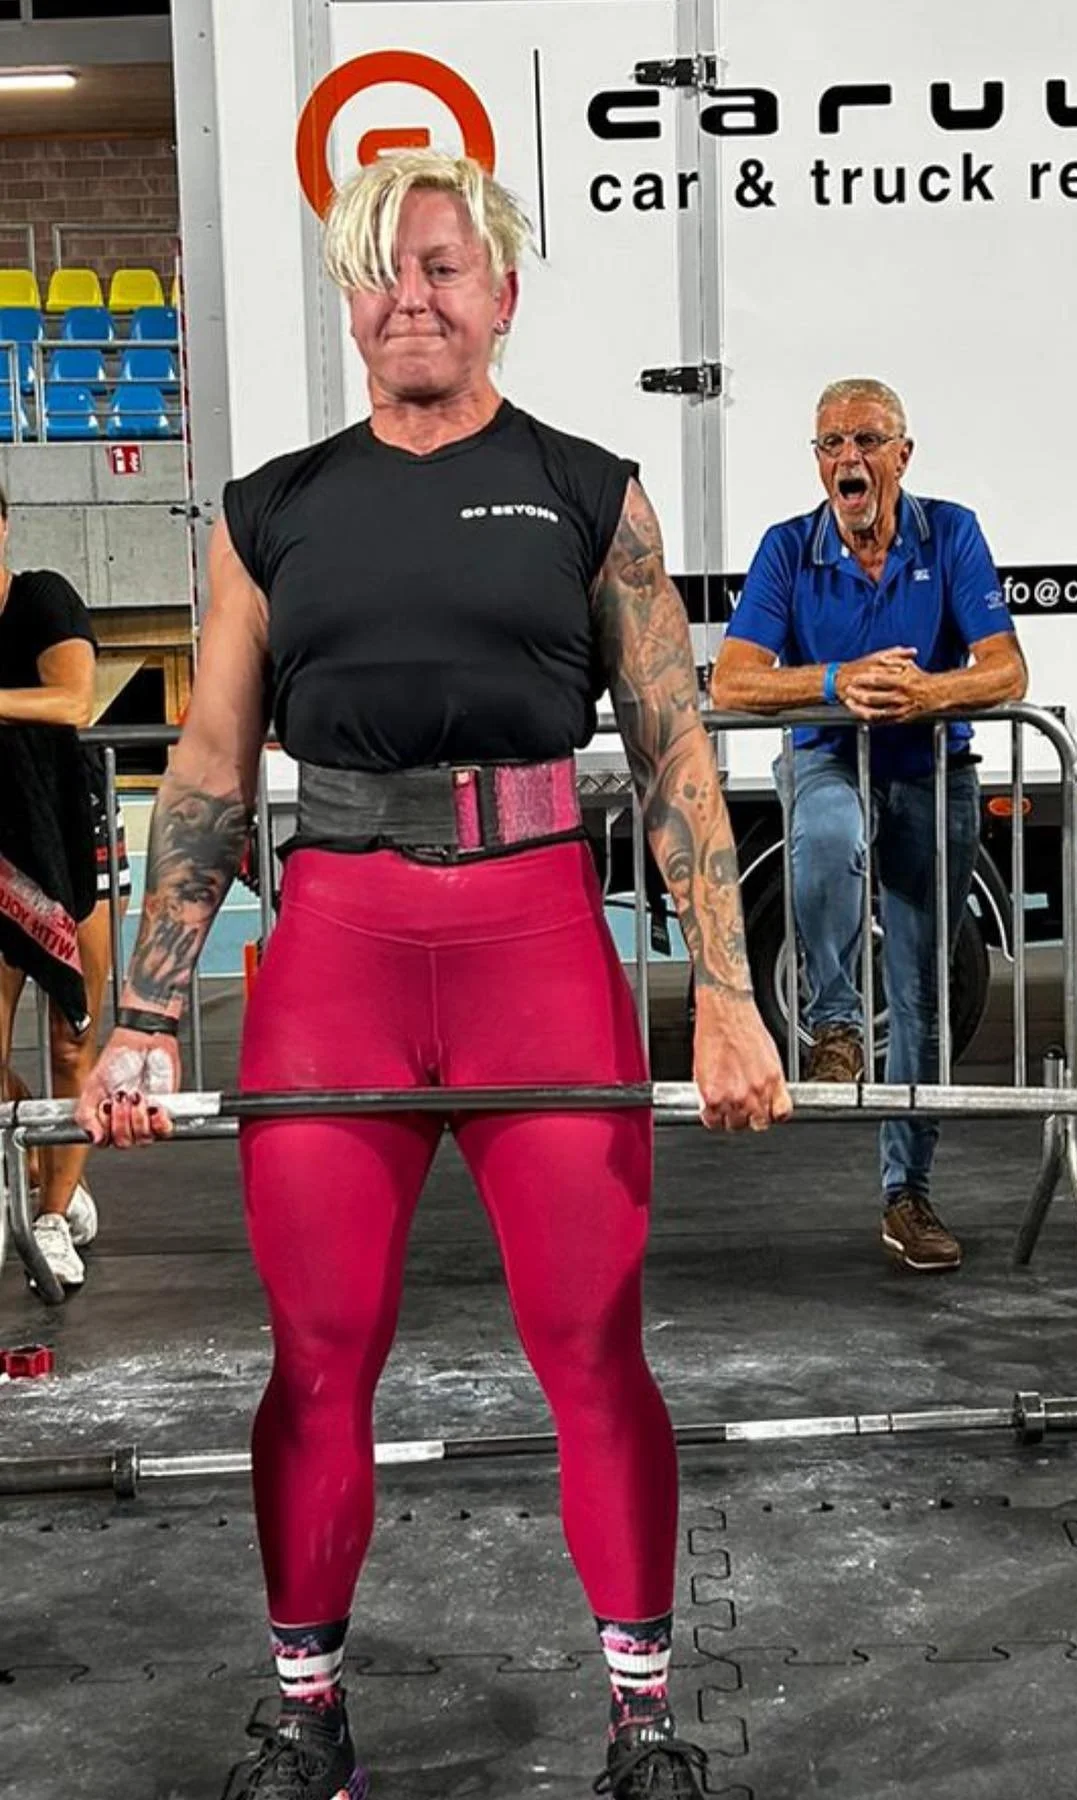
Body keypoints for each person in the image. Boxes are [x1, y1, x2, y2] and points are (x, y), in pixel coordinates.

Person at [75, 151, 790, 1800]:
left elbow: (674, 748)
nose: (413, 294)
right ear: (350, 300)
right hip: (336, 956)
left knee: (593, 1344)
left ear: (503, 293)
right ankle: (307, 1714)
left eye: (446, 266)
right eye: (384, 269)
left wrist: (730, 991)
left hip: (540, 950)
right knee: (319, 1353)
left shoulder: (591, 493)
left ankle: (643, 1719)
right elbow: (210, 761)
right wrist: (145, 1014)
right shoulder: (270, 512)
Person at [710, 378, 1026, 1274]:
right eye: (831, 444)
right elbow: (732, 679)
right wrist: (834, 681)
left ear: (902, 455)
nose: (848, 457)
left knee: (923, 993)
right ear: (818, 461)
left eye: (867, 441)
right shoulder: (788, 547)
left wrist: (928, 692)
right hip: (829, 760)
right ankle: (836, 1025)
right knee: (825, 838)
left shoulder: (951, 532)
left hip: (932, 772)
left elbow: (1007, 670)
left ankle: (906, 1194)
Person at [0, 478, 129, 1290]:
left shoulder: (43, 598)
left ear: (4, 525)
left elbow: (74, 698)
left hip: (72, 841)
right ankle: (48, 1167)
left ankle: (53, 1213)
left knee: (71, 1040)